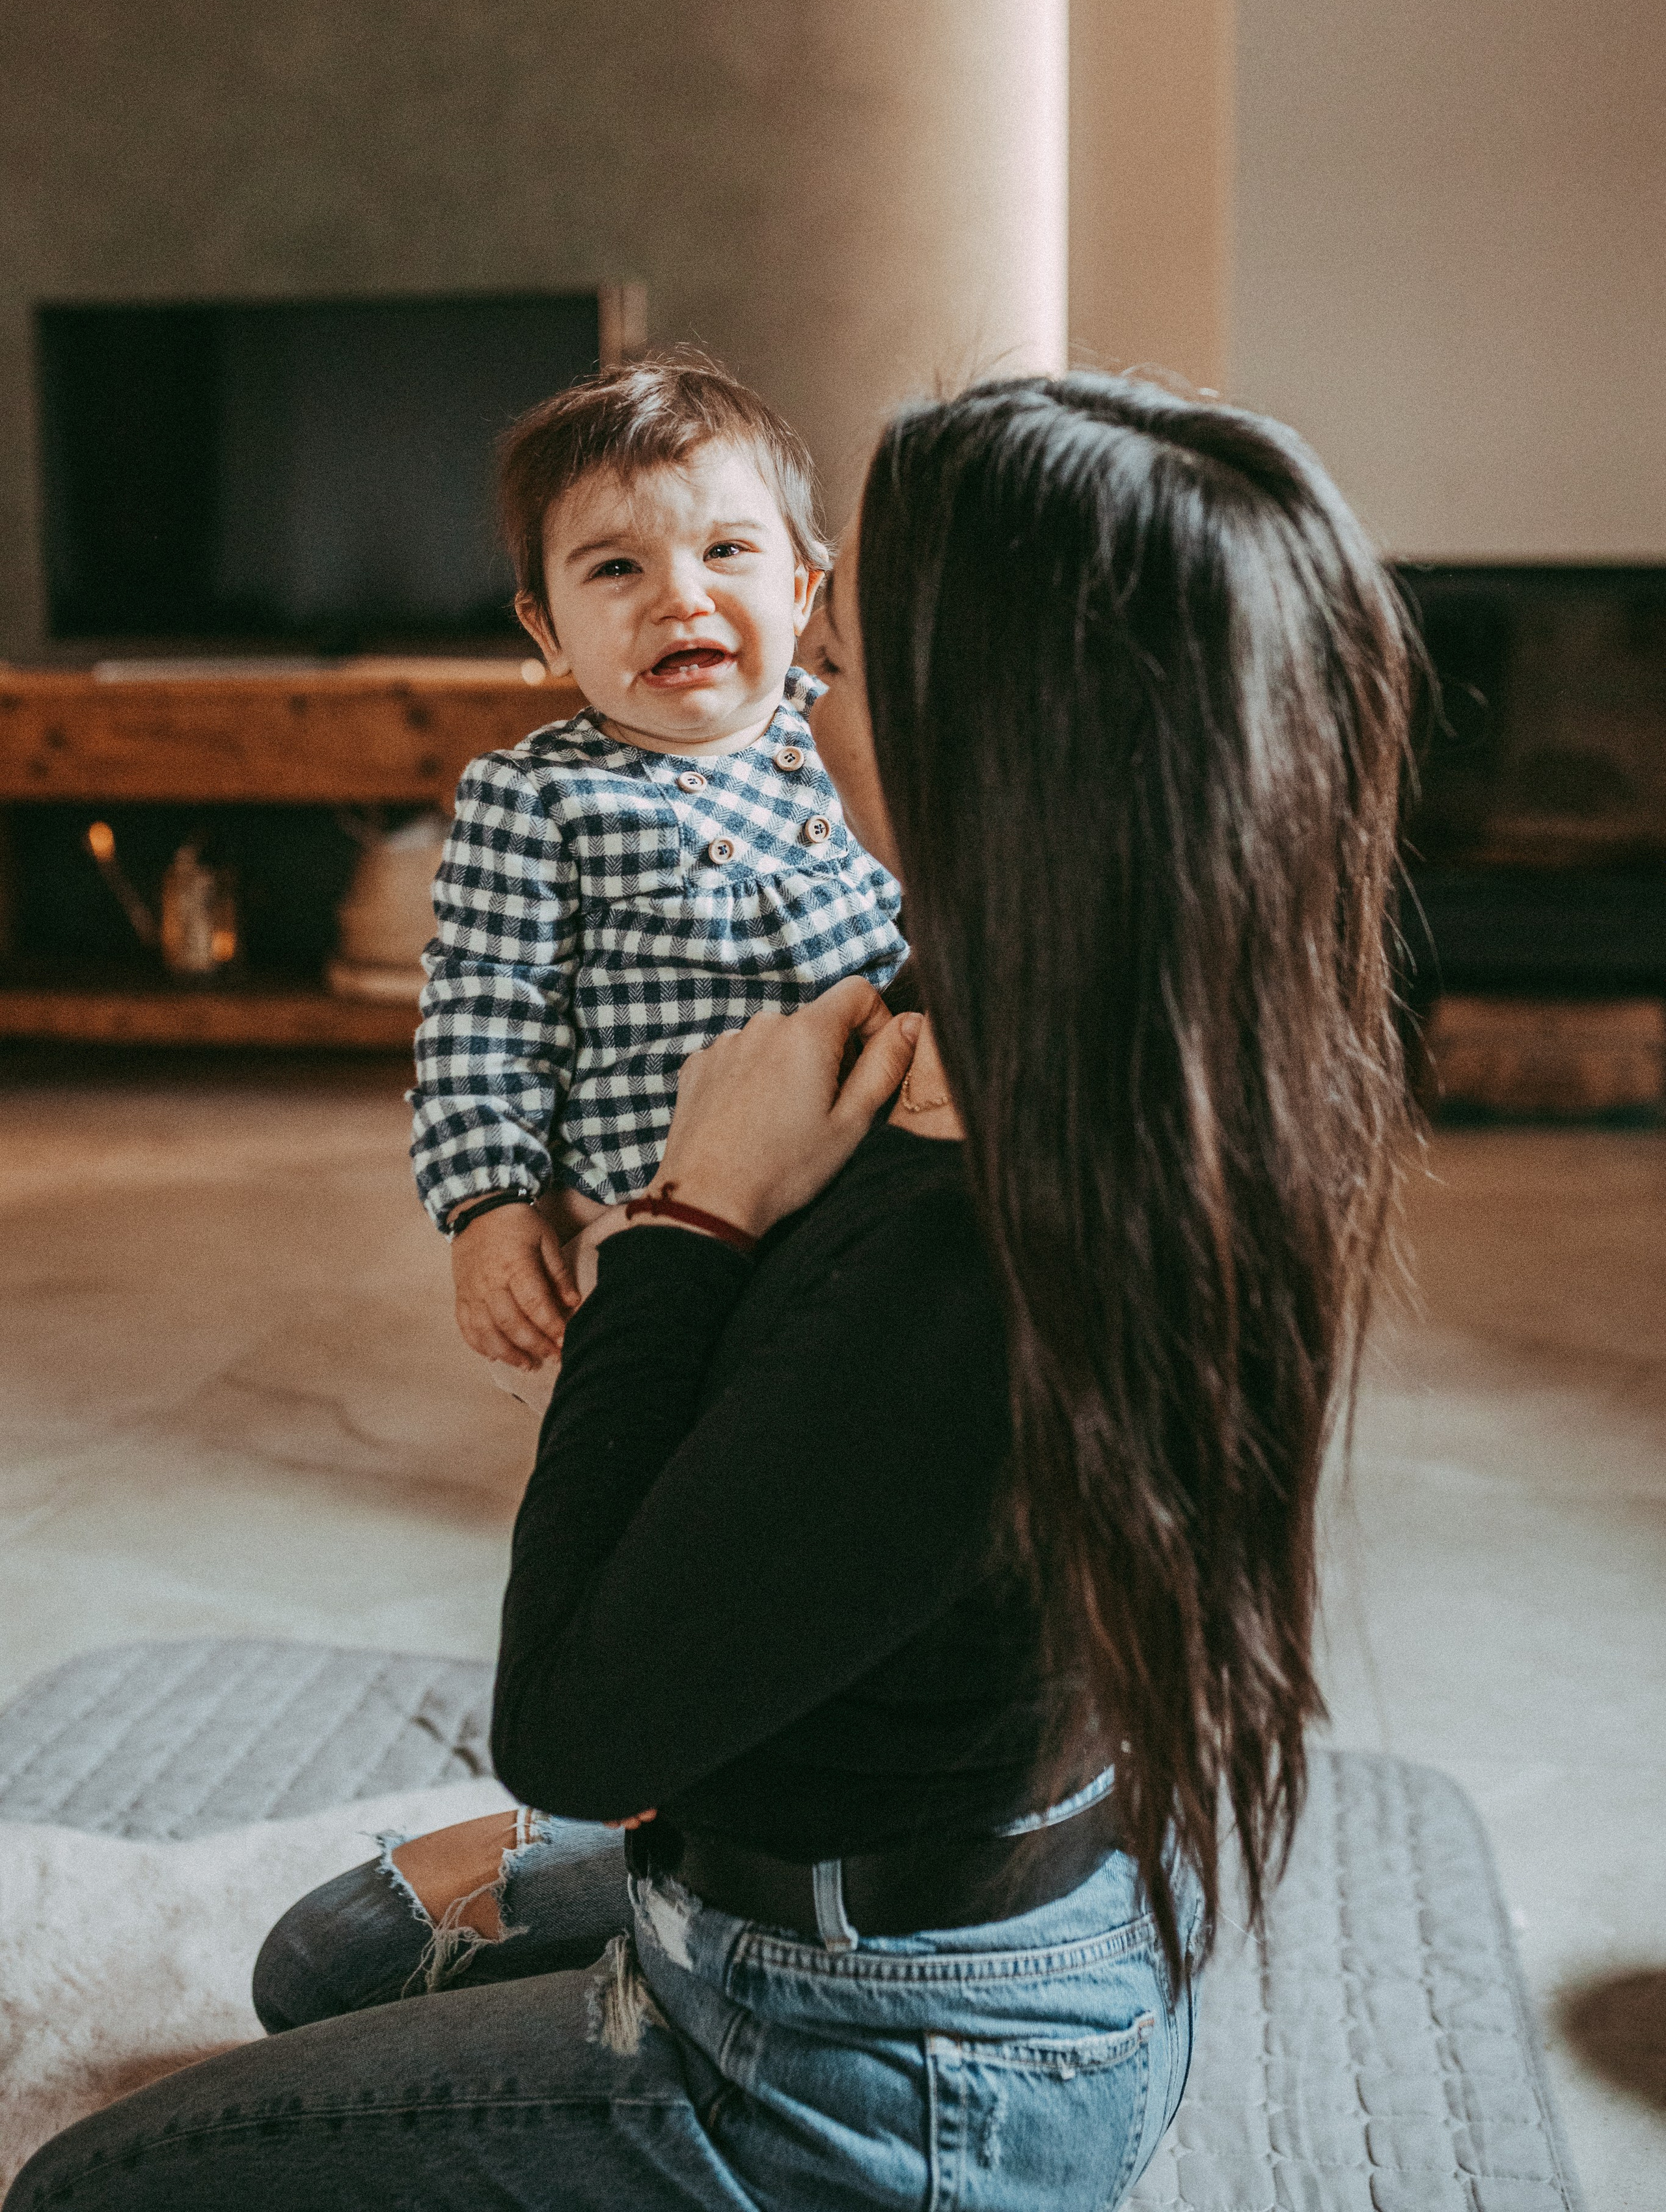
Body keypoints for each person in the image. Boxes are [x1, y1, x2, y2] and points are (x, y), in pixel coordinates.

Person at [7, 371, 1413, 2211]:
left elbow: (575, 1726)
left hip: (870, 2058)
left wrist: (689, 1219)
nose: (798, 656)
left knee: (84, 2189)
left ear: (989, 743)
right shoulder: (1122, 1057)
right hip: (946, 1887)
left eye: (844, 613)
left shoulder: (961, 1268)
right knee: (326, 1956)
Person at [410, 354, 906, 1379]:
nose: (681, 598)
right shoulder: (537, 795)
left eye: (726, 550)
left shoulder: (850, 734)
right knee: (659, 1395)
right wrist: (490, 1202)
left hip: (866, 1179)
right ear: (546, 629)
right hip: (646, 1204)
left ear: (806, 588)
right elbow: (483, 1013)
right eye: (615, 569)